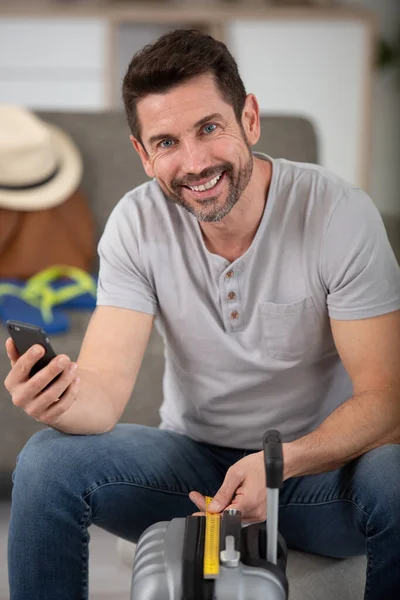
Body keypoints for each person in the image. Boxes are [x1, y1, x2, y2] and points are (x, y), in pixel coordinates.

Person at [5, 29, 400, 600]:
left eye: (209, 128)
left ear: (250, 119)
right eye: (166, 143)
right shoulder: (137, 224)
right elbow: (104, 395)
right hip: (194, 469)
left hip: (316, 472)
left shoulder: (337, 215)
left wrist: (278, 465)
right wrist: (60, 399)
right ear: (143, 155)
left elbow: (387, 401)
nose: (193, 163)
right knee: (45, 463)